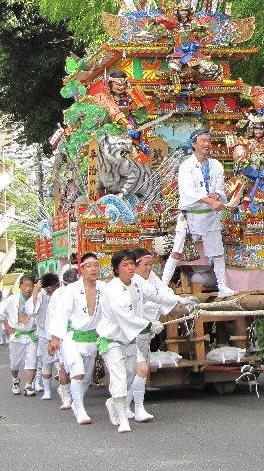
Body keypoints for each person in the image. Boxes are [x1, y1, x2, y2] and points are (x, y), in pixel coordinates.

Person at [97, 250, 194, 433]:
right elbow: (124, 316)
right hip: (111, 340)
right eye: (124, 265)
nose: (129, 268)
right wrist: (149, 325)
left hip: (130, 338)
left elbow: (157, 294)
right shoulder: (112, 290)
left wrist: (180, 300)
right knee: (119, 377)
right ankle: (124, 420)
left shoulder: (139, 282)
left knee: (131, 374)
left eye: (131, 264)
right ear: (116, 269)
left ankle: (114, 404)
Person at [161, 128, 235, 297]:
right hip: (190, 215)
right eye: (203, 141)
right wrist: (212, 201)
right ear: (194, 144)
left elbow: (220, 187)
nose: (207, 144)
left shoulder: (216, 165)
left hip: (210, 214)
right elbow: (189, 192)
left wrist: (218, 196)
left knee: (217, 252)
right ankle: (163, 287)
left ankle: (222, 287)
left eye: (208, 141)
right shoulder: (186, 166)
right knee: (177, 250)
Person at [47, 253, 106, 425]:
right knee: (78, 373)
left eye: (96, 265)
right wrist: (55, 339)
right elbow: (60, 315)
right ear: (81, 269)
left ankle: (76, 401)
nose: (93, 268)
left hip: (91, 338)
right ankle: (80, 410)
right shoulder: (71, 290)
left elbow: (117, 307)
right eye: (89, 265)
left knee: (85, 379)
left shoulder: (104, 288)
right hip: (72, 338)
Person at [0, 275, 38, 397]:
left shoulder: (37, 299)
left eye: (31, 286)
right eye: (25, 285)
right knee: (15, 363)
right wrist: (7, 326)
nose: (28, 288)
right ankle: (15, 380)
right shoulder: (12, 299)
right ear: (20, 286)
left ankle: (28, 385)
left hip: (31, 335)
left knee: (32, 361)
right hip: (17, 335)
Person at [46, 267, 79, 411]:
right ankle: (67, 397)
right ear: (64, 283)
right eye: (68, 283)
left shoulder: (83, 291)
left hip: (80, 335)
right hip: (62, 335)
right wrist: (52, 339)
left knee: (79, 369)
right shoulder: (57, 295)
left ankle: (77, 397)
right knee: (64, 368)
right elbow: (51, 317)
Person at [24, 273, 60, 399]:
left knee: (62, 363)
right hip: (44, 334)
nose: (51, 289)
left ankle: (66, 390)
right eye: (48, 287)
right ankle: (47, 390)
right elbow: (31, 311)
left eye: (54, 286)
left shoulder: (62, 293)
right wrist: (35, 292)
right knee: (46, 362)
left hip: (61, 333)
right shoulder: (41, 295)